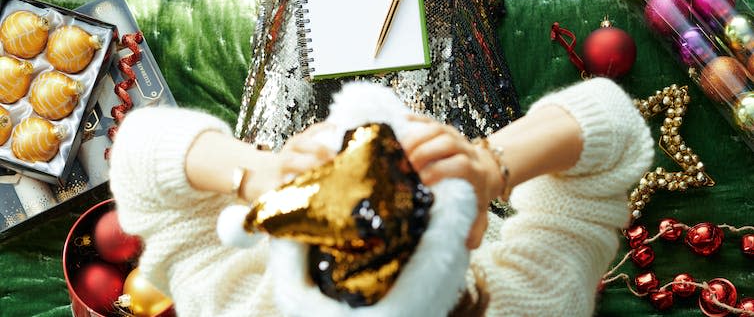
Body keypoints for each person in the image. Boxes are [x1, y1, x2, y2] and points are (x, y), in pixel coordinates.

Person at [109, 76, 654, 316]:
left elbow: (137, 151)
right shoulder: (537, 301)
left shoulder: (236, 303)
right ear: (470, 229)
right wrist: (492, 164)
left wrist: (261, 172)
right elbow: (613, 123)